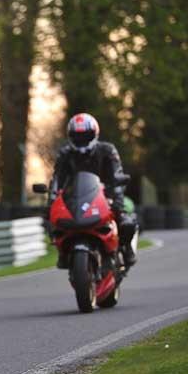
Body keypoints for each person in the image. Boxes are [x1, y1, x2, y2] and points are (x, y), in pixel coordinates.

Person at [50, 113, 138, 267]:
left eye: (85, 136)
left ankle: (126, 248)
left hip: (105, 194)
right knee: (52, 221)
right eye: (77, 136)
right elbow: (57, 179)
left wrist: (116, 196)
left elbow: (117, 173)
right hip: (75, 197)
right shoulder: (65, 154)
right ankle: (63, 252)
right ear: (70, 137)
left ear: (94, 134)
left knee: (126, 221)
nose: (81, 140)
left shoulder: (107, 150)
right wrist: (51, 200)